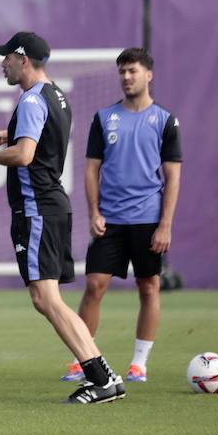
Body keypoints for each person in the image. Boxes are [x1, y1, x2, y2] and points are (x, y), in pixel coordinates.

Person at [0, 31, 125, 404]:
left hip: (38, 209)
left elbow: (26, 156)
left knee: (45, 298)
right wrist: (6, 134)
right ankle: (104, 374)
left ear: (22, 59)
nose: (3, 64)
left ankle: (101, 378)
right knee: (48, 298)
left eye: (6, 58)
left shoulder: (32, 100)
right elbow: (36, 143)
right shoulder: (55, 95)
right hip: (51, 207)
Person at [66, 47, 181, 384]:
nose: (127, 77)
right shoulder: (104, 118)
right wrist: (94, 212)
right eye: (122, 72)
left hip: (148, 220)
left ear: (149, 74)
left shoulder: (164, 120)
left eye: (133, 71)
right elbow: (91, 170)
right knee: (94, 286)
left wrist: (165, 225)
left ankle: (139, 364)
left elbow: (172, 176)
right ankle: (82, 360)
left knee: (149, 288)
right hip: (110, 220)